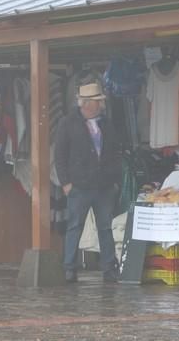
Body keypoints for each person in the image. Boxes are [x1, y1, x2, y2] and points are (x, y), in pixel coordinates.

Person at [55, 82, 122, 283]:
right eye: (96, 102)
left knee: (105, 227)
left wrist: (115, 180)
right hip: (79, 185)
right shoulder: (68, 123)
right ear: (86, 104)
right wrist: (66, 183)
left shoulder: (106, 123)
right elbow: (59, 155)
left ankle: (109, 267)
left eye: (99, 102)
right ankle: (69, 268)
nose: (100, 106)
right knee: (75, 226)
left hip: (104, 186)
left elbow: (115, 152)